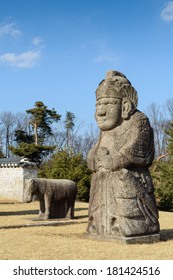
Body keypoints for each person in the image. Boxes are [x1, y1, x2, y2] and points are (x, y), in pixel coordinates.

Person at [87, 70, 160, 238]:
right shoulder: (106, 130)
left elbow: (137, 148)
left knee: (121, 175)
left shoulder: (139, 121)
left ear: (125, 106)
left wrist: (113, 160)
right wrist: (94, 159)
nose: (101, 111)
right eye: (98, 105)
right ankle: (99, 224)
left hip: (129, 179)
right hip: (105, 178)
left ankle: (129, 225)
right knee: (99, 176)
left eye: (108, 104)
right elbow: (95, 150)